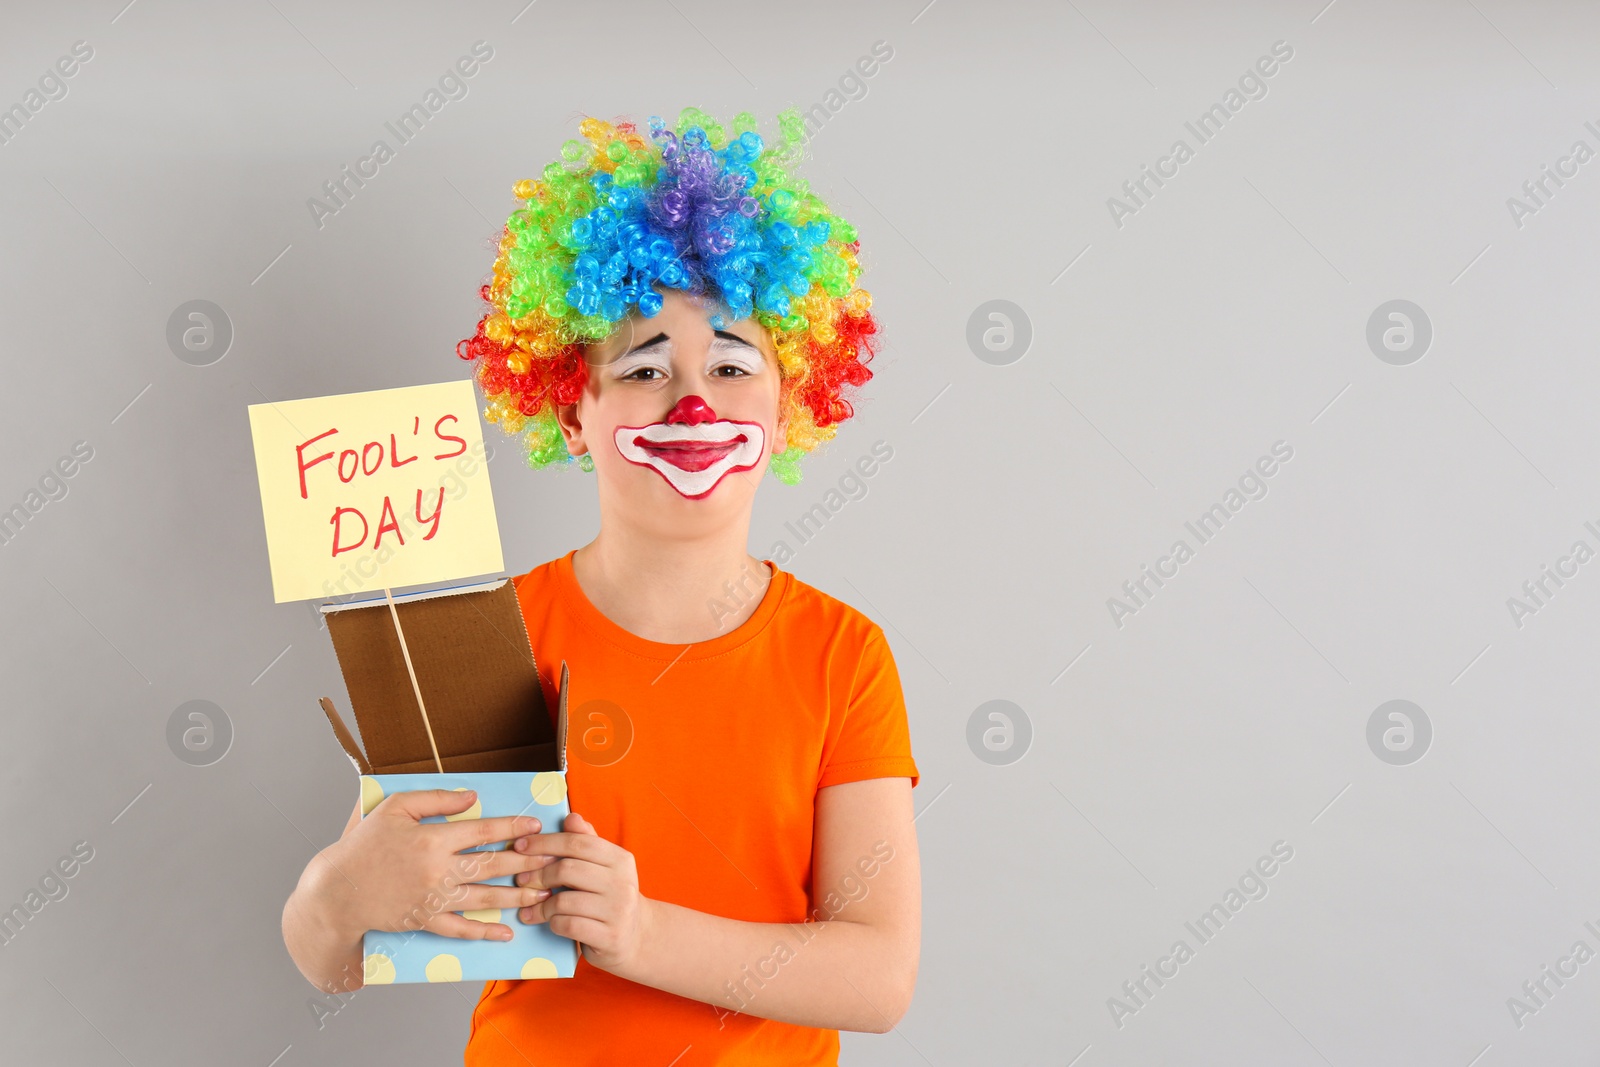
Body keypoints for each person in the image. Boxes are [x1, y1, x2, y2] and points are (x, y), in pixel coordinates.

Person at [281, 107, 920, 1066]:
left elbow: (878, 978)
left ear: (791, 409)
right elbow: (343, 958)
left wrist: (641, 929)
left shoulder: (842, 657)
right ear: (570, 412)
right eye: (645, 366)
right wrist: (339, 890)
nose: (693, 399)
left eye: (734, 364)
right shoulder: (486, 635)